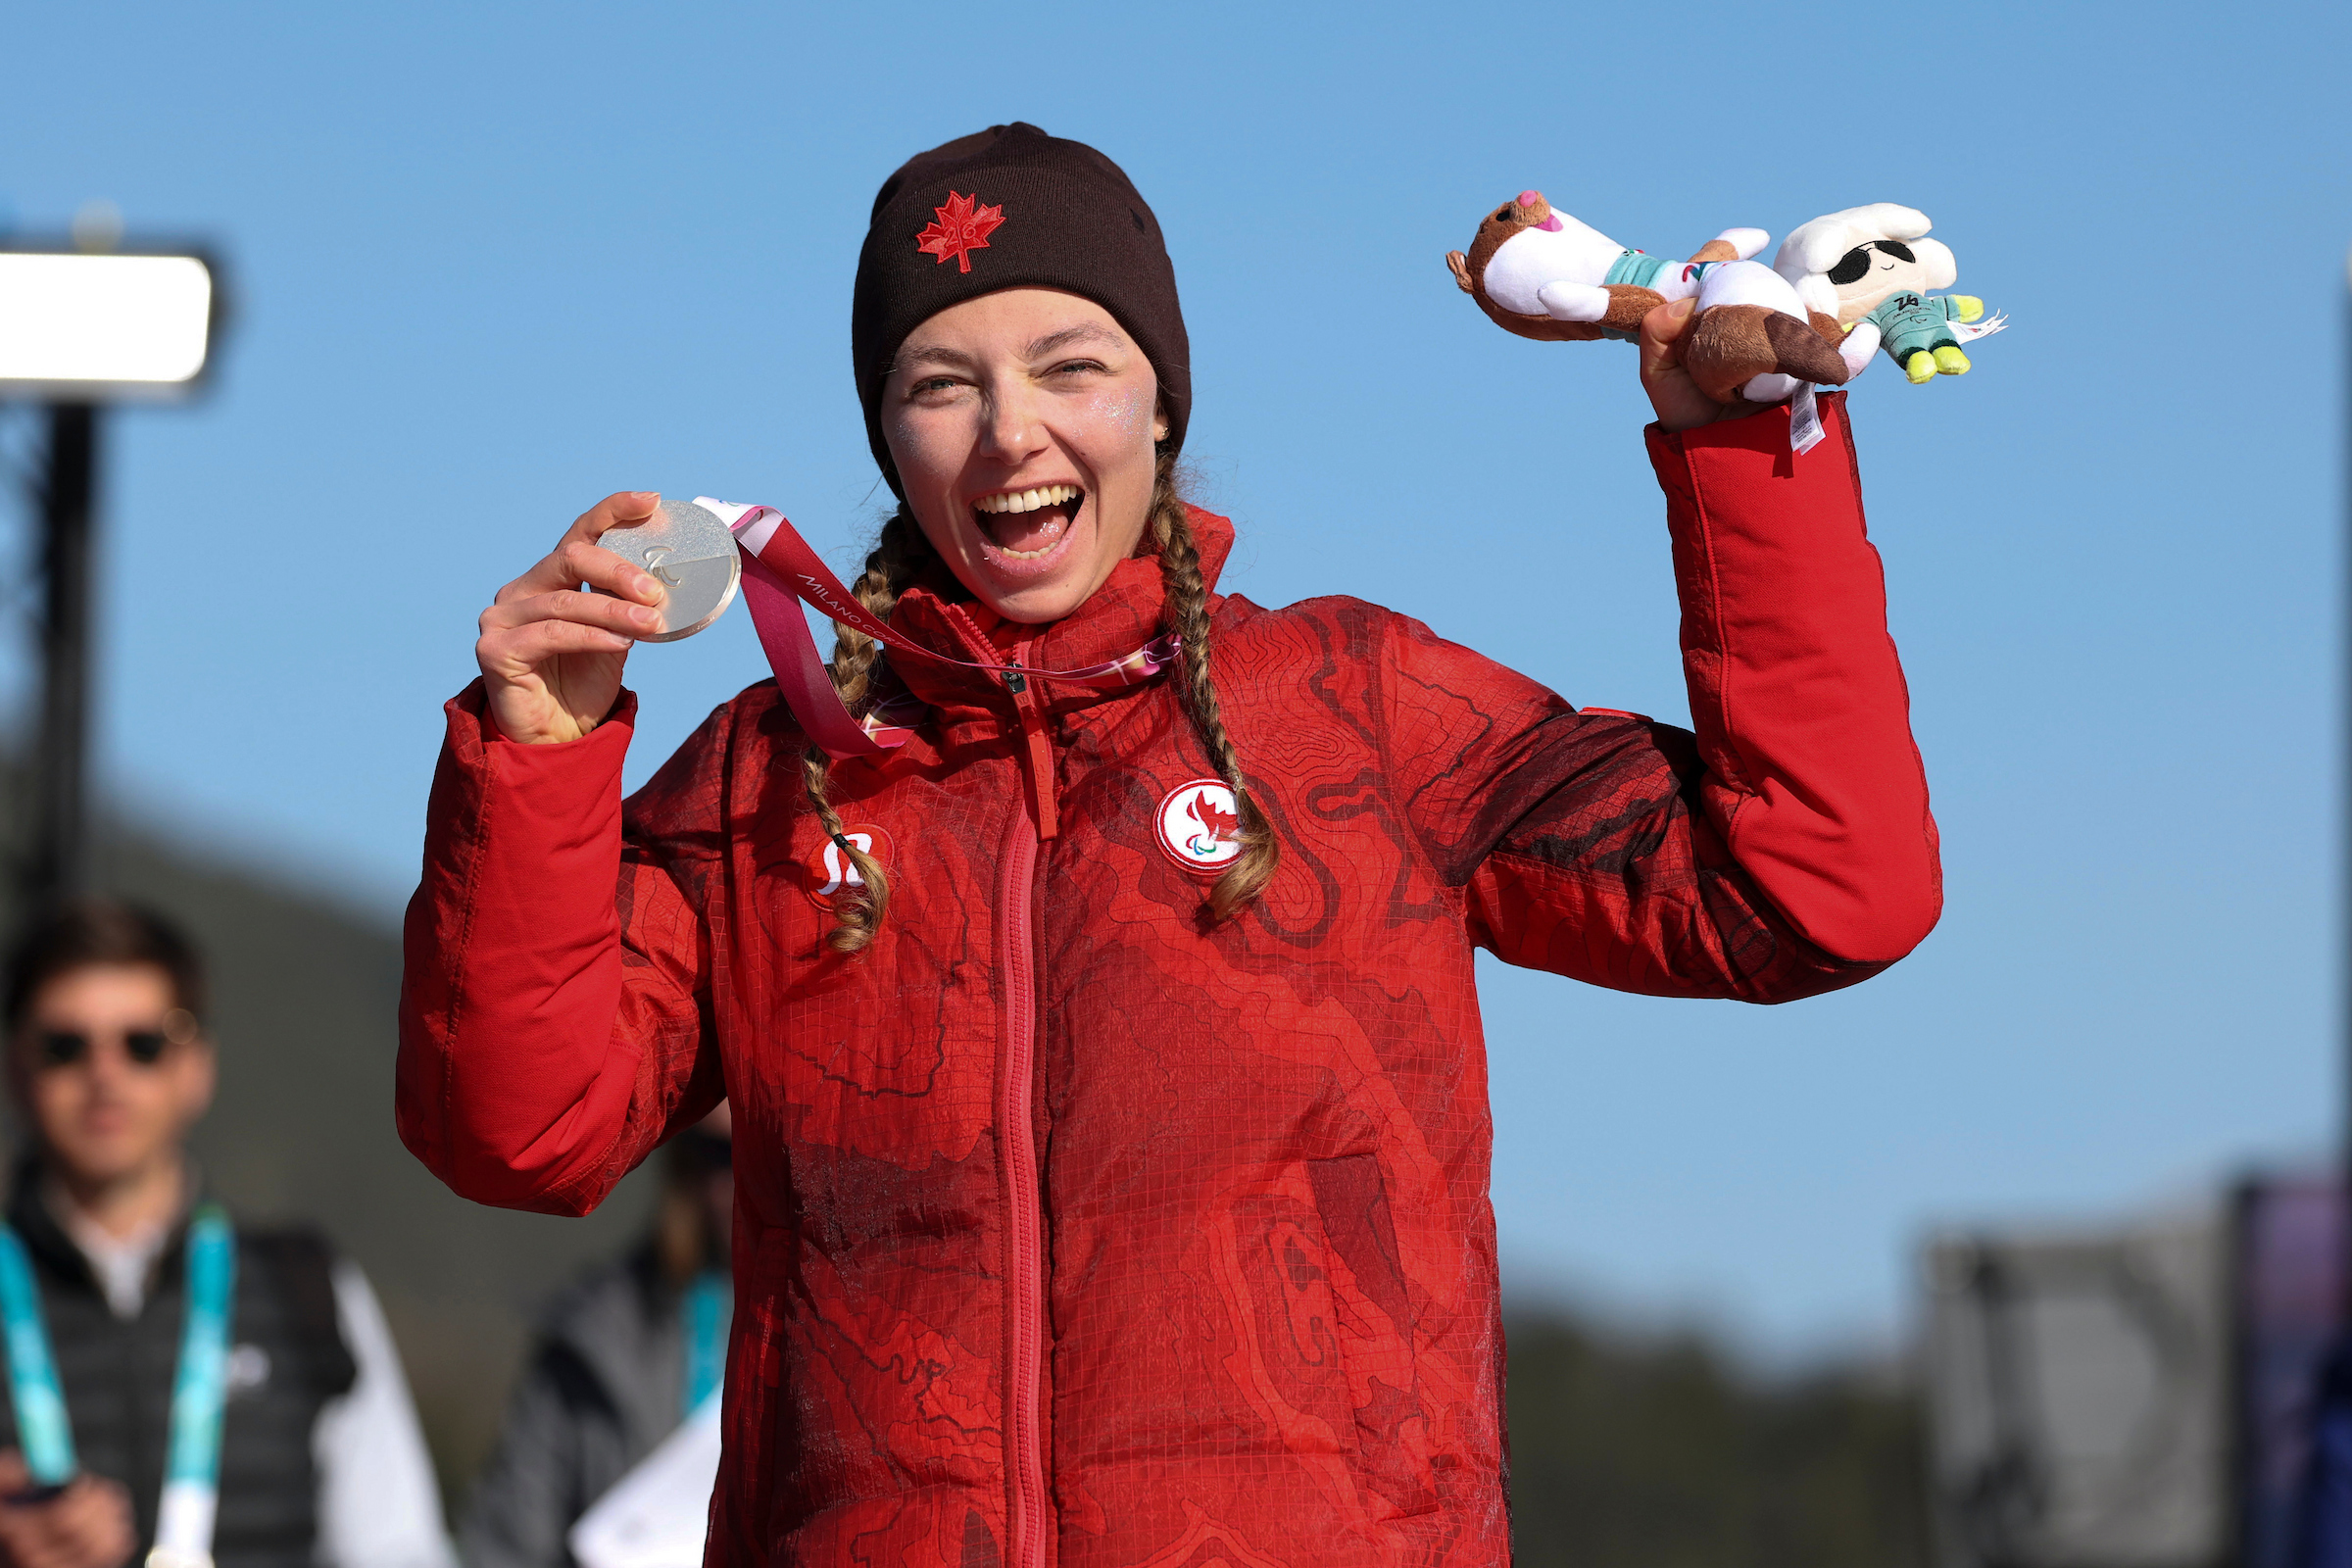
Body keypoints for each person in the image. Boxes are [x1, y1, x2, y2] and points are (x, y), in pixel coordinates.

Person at [397, 123, 1942, 1565]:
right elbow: (521, 1129)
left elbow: (1813, 892)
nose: (1012, 437)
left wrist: (1748, 473)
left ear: (1158, 402)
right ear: (884, 433)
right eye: (941, 384)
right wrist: (535, 752)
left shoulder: (1359, 711)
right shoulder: (780, 774)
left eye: (1072, 364)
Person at [2, 900, 454, 1568]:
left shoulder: (305, 1287)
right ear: (15, 1067)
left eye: (143, 1045)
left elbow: (400, 1549)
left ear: (196, 1068)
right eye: (65, 1047)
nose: (104, 1074)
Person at [459, 1107, 732, 1568]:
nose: (745, 1177)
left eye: (774, 1146)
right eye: (720, 1154)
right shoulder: (592, 1337)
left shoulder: (863, 1340)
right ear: (684, 1162)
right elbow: (506, 1542)